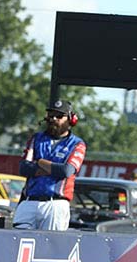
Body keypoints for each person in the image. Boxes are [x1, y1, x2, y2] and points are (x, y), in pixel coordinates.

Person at [13, 99, 86, 231]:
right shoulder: (36, 138)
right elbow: (24, 168)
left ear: (71, 119)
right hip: (29, 201)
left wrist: (39, 162)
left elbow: (66, 171)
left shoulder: (77, 144)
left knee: (50, 244)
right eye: (51, 115)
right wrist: (53, 169)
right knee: (16, 239)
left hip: (56, 203)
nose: (53, 119)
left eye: (59, 116)